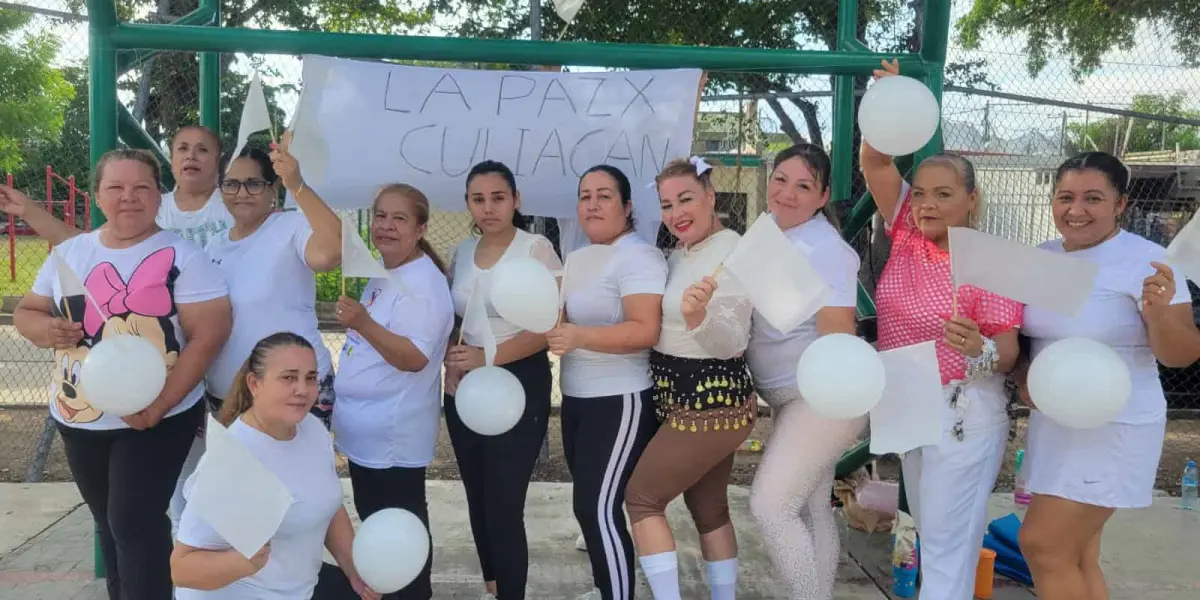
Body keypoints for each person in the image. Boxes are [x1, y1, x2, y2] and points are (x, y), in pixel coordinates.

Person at [12, 149, 232, 600]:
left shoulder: (183, 256)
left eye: (141, 187)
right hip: (81, 418)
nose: (128, 197)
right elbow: (26, 312)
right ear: (97, 195)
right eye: (115, 187)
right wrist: (47, 329)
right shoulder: (72, 253)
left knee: (135, 521)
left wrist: (162, 403)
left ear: (158, 195)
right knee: (109, 525)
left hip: (158, 416)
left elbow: (209, 336)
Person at [859, 59, 1024, 600]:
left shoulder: (990, 261)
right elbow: (875, 161)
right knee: (931, 536)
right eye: (922, 191)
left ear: (971, 200)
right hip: (907, 399)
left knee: (950, 548)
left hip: (963, 411)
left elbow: (1006, 351)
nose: (927, 202)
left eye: (944, 194)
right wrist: (886, 100)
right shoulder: (908, 229)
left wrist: (977, 350)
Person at [1016, 152, 1200, 600]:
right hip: (1057, 423)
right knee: (1077, 554)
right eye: (1066, 197)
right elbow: (1030, 339)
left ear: (1120, 204)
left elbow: (1181, 354)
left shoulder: (1147, 261)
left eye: (1093, 198)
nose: (1076, 210)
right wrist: (1024, 378)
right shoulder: (1041, 257)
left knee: (1043, 546)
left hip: (1115, 425)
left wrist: (1159, 317)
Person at [167, 138, 342, 535]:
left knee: (293, 505)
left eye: (254, 184)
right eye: (232, 184)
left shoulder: (291, 227)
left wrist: (298, 184)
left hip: (289, 395)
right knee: (247, 511)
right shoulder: (214, 247)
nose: (241, 193)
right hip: (226, 401)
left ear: (272, 189)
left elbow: (330, 253)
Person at [624, 157, 754, 600]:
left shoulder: (731, 250)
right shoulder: (681, 253)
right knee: (709, 508)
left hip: (709, 402)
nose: (676, 212)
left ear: (710, 196)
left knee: (642, 500)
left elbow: (733, 342)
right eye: (665, 204)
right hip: (682, 398)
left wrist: (698, 317)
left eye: (685, 199)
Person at [171, 332, 380, 600]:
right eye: (288, 377)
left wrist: (354, 572)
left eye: (311, 378)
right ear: (254, 384)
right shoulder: (231, 461)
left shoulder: (312, 430)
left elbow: (326, 506)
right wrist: (243, 563)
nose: (302, 389)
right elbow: (182, 568)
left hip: (298, 589)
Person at [744, 144, 863, 599]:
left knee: (771, 506)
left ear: (822, 196)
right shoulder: (769, 231)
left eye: (803, 186)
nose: (787, 193)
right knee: (812, 507)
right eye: (780, 180)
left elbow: (836, 337)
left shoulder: (825, 248)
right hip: (790, 397)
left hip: (817, 398)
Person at [443, 160, 563, 600]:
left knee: (504, 503)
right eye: (478, 199)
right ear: (468, 204)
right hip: (465, 388)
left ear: (516, 200)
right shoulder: (461, 252)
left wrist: (487, 356)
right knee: (477, 494)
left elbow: (551, 324)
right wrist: (453, 360)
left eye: (498, 197)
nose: (488, 208)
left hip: (517, 384)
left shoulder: (536, 249)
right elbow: (457, 318)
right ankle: (494, 585)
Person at [546, 165, 666, 600]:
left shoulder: (639, 256)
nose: (592, 204)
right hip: (576, 397)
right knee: (591, 507)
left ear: (627, 206)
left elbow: (644, 329)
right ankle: (606, 587)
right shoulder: (576, 258)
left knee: (595, 508)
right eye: (584, 196)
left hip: (621, 399)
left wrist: (578, 336)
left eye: (604, 196)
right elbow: (557, 319)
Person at [331, 184, 455, 600]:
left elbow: (414, 357)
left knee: (401, 535)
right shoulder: (387, 272)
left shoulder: (424, 284)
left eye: (399, 218)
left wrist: (364, 323)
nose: (386, 226)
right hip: (367, 437)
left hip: (392, 438)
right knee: (379, 529)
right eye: (380, 216)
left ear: (420, 229)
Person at [0, 125, 233, 247]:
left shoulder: (235, 205)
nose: (191, 156)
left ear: (217, 159)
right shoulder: (150, 208)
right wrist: (27, 210)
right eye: (182, 149)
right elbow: (81, 243)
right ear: (171, 160)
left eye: (202, 150)